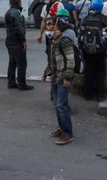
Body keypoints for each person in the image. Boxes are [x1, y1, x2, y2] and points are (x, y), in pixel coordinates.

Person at [42, 11, 76, 145]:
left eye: (49, 25)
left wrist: (67, 78)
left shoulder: (64, 41)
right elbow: (52, 60)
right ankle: (62, 129)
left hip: (63, 78)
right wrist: (46, 73)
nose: (47, 27)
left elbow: (71, 61)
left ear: (56, 26)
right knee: (57, 105)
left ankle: (68, 133)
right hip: (55, 77)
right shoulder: (53, 41)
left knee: (61, 105)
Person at [79, 0, 107, 102]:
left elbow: (80, 30)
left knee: (88, 70)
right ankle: (100, 94)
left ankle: (88, 94)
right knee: (100, 72)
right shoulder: (103, 19)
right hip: (100, 50)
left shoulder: (86, 18)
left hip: (87, 49)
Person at [5, 0, 33, 90]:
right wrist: (24, 41)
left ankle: (11, 81)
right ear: (18, 2)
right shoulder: (17, 13)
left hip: (9, 40)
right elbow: (19, 29)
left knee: (12, 62)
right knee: (22, 63)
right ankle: (22, 84)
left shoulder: (8, 12)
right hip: (16, 41)